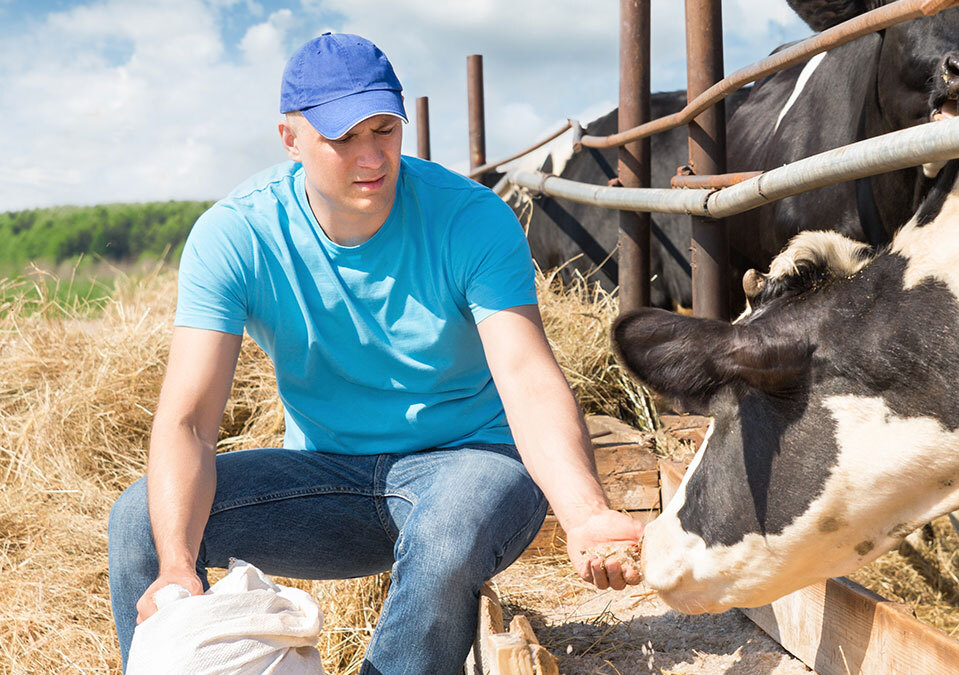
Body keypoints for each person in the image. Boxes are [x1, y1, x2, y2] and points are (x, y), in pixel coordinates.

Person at [107, 32, 644, 674]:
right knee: (142, 519)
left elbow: (528, 378)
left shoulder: (470, 219)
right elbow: (189, 421)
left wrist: (584, 514)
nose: (372, 157)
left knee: (447, 534)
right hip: (330, 477)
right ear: (291, 139)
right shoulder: (236, 236)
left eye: (385, 130)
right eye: (344, 138)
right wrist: (175, 569)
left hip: (473, 463)